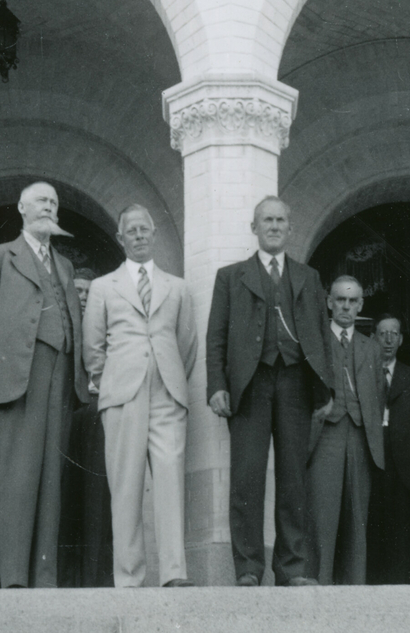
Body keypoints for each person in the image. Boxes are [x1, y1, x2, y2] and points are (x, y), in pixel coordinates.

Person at [0, 182, 89, 589]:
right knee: (17, 479)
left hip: (60, 377)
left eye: (53, 203)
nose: (48, 207)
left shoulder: (65, 266)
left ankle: (45, 577)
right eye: (40, 200)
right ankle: (15, 579)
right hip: (17, 380)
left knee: (52, 480)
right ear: (21, 207)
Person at [206, 196, 334, 587]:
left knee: (294, 476)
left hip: (295, 382)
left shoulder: (308, 277)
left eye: (281, 220)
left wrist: (325, 388)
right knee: (246, 476)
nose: (274, 226)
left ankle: (292, 568)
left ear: (290, 228)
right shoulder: (230, 277)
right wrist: (217, 386)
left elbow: (320, 336)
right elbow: (217, 337)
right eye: (267, 220)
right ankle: (247, 567)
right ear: (254, 228)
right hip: (250, 383)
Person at [84, 205, 198, 587]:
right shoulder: (103, 287)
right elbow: (93, 348)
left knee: (169, 479)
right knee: (126, 484)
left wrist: (170, 377)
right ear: (120, 238)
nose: (138, 235)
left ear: (153, 234)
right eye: (130, 230)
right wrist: (112, 381)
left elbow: (187, 344)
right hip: (122, 395)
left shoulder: (177, 287)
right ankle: (129, 576)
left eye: (144, 229)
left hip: (167, 392)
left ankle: (174, 573)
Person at [305, 277, 384, 585]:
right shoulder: (315, 340)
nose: (346, 306)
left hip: (361, 438)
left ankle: (356, 590)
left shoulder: (371, 347)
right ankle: (318, 586)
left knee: (357, 520)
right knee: (322, 516)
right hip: (326, 435)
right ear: (329, 302)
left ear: (361, 304)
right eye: (340, 300)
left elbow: (377, 394)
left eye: (352, 301)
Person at [59, 268, 114, 588]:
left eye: (87, 292)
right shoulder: (61, 328)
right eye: (76, 291)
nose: (81, 297)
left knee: (97, 498)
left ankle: (97, 579)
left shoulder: (107, 329)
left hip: (96, 413)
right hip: (66, 412)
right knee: (65, 496)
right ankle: (65, 580)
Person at [366, 314, 410, 585]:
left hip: (403, 468)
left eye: (394, 334)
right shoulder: (363, 374)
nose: (388, 339)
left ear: (401, 339)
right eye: (383, 333)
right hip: (372, 464)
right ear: (373, 338)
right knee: (371, 532)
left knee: (402, 535)